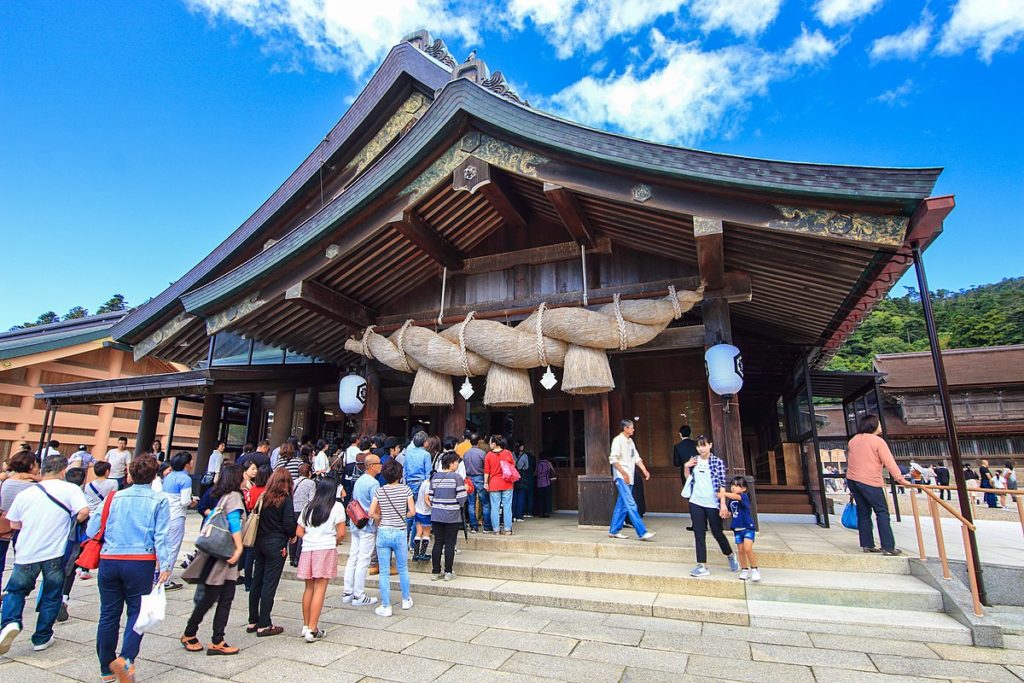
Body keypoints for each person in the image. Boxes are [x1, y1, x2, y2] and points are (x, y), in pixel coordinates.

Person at [89, 454, 172, 683]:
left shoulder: (113, 498)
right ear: (154, 476)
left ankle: (106, 667)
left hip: (110, 559)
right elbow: (161, 536)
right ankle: (126, 659)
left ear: (130, 475)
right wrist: (165, 565)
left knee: (108, 614)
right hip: (140, 560)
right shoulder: (159, 500)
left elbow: (91, 529)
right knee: (137, 611)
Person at [0, 455, 89, 656]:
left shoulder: (27, 493)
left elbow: (14, 523)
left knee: (16, 591)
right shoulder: (70, 489)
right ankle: (42, 637)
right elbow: (84, 511)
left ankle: (10, 622)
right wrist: (70, 522)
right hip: (55, 552)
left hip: (27, 551)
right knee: (52, 593)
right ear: (63, 471)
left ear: (42, 470)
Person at [180, 463, 245, 656]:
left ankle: (216, 639)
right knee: (213, 598)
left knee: (221, 597)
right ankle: (192, 634)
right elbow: (234, 522)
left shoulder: (224, 496)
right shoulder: (234, 497)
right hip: (223, 555)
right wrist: (239, 548)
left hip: (219, 553)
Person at [846, 414, 909, 556]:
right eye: (879, 423)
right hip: (870, 481)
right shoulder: (877, 441)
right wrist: (900, 479)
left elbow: (851, 461)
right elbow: (889, 462)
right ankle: (888, 546)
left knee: (863, 512)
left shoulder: (853, 440)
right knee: (881, 512)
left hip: (853, 480)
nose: (880, 426)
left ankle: (867, 544)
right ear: (873, 425)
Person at [246, 468, 296, 637]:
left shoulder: (264, 496)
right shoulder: (285, 499)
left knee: (257, 580)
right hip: (276, 542)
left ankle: (253, 620)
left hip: (259, 541)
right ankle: (264, 623)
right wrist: (292, 536)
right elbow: (289, 523)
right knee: (270, 583)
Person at [296, 478, 346, 642]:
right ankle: (313, 629)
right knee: (320, 588)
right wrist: (335, 542)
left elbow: (299, 531)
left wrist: (310, 538)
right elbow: (341, 533)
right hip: (325, 548)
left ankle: (306, 626)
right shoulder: (336, 507)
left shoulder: (308, 507)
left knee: (309, 588)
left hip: (308, 549)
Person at [684, 435, 738, 576]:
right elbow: (689, 479)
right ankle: (702, 565)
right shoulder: (694, 460)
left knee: (717, 532)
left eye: (703, 445)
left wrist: (723, 504)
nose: (701, 448)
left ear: (710, 445)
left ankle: (730, 555)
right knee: (699, 533)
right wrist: (686, 467)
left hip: (712, 503)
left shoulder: (717, 462)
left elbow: (721, 484)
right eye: (698, 446)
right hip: (696, 501)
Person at [368, 459, 414, 617]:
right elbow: (412, 511)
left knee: (384, 572)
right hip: (400, 531)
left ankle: (386, 606)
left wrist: (381, 518)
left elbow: (371, 512)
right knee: (403, 568)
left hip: (383, 531)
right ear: (400, 475)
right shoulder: (406, 490)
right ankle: (406, 599)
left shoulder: (380, 491)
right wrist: (403, 517)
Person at [342, 453, 381, 607]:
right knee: (363, 559)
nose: (381, 465)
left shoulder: (359, 480)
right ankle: (359, 594)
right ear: (371, 466)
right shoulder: (374, 484)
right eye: (378, 463)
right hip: (367, 524)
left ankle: (348, 591)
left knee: (353, 557)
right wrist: (379, 522)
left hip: (356, 521)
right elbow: (375, 506)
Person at [607, 420, 656, 542]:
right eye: (631, 427)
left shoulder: (630, 441)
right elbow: (613, 459)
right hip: (622, 476)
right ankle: (642, 532)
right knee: (631, 503)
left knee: (622, 505)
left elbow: (636, 457)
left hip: (630, 477)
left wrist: (644, 470)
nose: (633, 429)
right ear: (625, 428)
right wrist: (623, 474)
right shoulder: (618, 440)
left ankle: (613, 531)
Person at [0, 450, 41, 584]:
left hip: (3, 524)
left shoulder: (6, 482)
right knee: (22, 560)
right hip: (24, 525)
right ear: (31, 466)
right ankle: (14, 588)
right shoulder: (35, 486)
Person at [428, 451, 467, 581]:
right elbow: (462, 498)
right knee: (450, 543)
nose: (457, 464)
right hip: (452, 515)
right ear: (451, 464)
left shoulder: (435, 477)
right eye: (456, 462)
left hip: (436, 514)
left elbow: (431, 496)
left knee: (438, 542)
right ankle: (448, 571)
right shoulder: (457, 478)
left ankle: (435, 571)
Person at [161, 453, 196, 591]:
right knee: (173, 548)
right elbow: (185, 501)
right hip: (177, 516)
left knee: (163, 547)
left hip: (165, 516)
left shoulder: (168, 477)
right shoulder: (185, 479)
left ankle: (158, 576)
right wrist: (193, 501)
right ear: (186, 464)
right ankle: (165, 580)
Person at [720, 476, 759, 582]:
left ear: (744, 488)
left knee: (748, 548)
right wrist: (725, 514)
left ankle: (754, 569)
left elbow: (736, 497)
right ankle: (744, 570)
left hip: (747, 527)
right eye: (732, 485)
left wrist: (723, 493)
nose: (733, 487)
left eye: (737, 486)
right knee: (741, 551)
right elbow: (731, 513)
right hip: (737, 529)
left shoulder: (744, 497)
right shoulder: (731, 501)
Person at [484, 435, 516, 535]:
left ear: (494, 444)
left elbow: (486, 471)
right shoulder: (507, 453)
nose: (489, 444)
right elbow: (513, 465)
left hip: (494, 483)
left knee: (494, 507)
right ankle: (508, 529)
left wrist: (485, 483)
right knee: (507, 507)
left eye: (490, 442)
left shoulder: (489, 455)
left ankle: (496, 530)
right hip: (507, 483)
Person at [463, 432, 489, 532]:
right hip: (480, 478)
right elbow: (486, 467)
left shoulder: (466, 454)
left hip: (469, 479)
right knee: (485, 503)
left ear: (470, 442)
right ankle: (487, 526)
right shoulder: (482, 453)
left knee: (471, 504)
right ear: (478, 442)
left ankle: (473, 526)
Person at [290, 464, 315, 567]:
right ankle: (297, 557)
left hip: (292, 510)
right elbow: (311, 499)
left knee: (293, 533)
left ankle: (291, 558)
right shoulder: (311, 483)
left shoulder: (293, 482)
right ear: (309, 473)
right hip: (303, 511)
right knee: (301, 534)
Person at [512, 440, 535, 521]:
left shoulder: (512, 454)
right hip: (521, 477)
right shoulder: (524, 456)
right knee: (521, 497)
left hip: (513, 477)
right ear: (521, 446)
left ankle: (513, 515)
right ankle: (519, 516)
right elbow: (526, 467)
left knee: (513, 497)